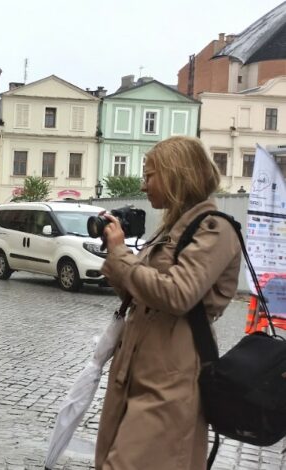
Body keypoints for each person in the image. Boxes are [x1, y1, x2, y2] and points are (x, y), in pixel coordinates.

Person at [95, 136, 241, 469]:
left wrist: (121, 256)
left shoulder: (214, 230)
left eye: (150, 176)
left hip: (170, 378)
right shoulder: (172, 230)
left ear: (176, 175)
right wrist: (119, 263)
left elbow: (177, 294)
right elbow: (141, 296)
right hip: (137, 370)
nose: (144, 186)